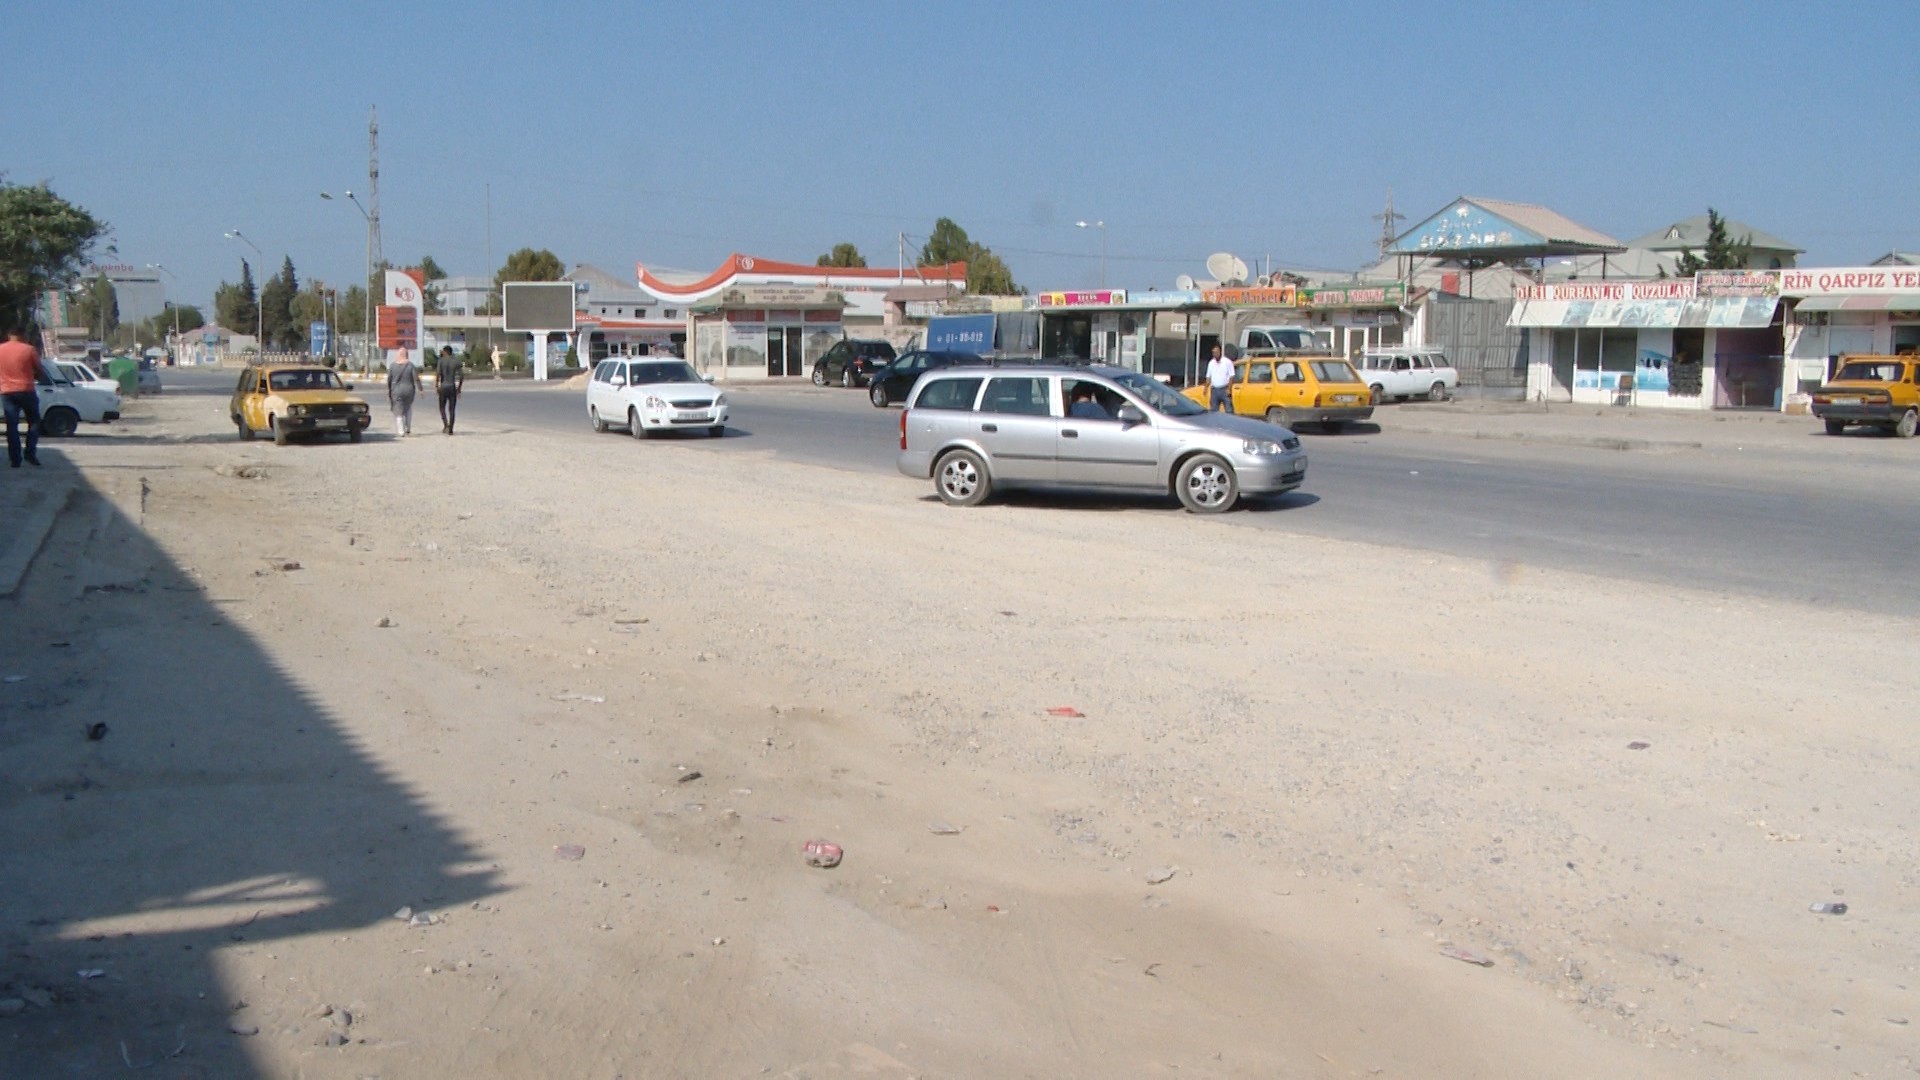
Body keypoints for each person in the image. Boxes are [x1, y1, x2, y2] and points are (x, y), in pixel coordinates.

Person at [1, 324, 43, 467]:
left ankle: (15, 460)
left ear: (9, 335)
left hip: (7, 392)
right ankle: (30, 453)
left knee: (11, 426)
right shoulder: (29, 349)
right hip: (26, 389)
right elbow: (39, 369)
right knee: (35, 422)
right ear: (22, 335)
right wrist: (37, 376)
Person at [387, 348, 422, 436]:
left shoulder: (392, 366)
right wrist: (420, 389)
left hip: (396, 390)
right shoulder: (411, 365)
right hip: (409, 390)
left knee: (398, 410)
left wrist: (389, 390)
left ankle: (401, 431)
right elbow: (416, 379)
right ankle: (408, 428)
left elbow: (389, 380)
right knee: (408, 408)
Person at [435, 345, 466, 434]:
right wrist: (459, 388)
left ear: (445, 352)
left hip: (443, 386)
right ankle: (451, 428)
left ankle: (445, 425)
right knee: (452, 409)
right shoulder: (456, 361)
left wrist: (437, 386)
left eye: (443, 352)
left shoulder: (440, 361)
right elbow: (461, 376)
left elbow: (438, 374)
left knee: (441, 407)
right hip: (452, 386)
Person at [1206, 343, 1235, 413]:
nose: (1215, 354)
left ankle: (1230, 423)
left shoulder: (1227, 362)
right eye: (1214, 352)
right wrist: (1205, 388)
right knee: (1213, 410)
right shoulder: (1211, 363)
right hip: (1214, 390)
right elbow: (1208, 376)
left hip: (1224, 389)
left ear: (1220, 352)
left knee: (1229, 410)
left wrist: (1229, 389)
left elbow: (1232, 376)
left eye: (1217, 352)